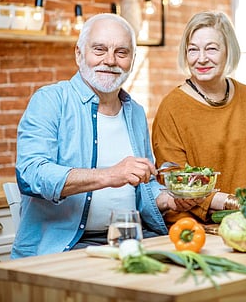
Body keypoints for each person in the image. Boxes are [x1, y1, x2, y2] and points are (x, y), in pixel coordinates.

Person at [11, 13, 197, 259]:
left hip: (132, 239)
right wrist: (110, 175)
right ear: (79, 54)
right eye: (99, 50)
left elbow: (144, 184)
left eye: (121, 52)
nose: (110, 61)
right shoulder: (50, 101)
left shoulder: (136, 112)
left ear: (132, 59)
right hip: (67, 247)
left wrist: (167, 200)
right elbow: (30, 174)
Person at [152, 11, 246, 225]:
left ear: (228, 51)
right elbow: (175, 180)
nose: (201, 58)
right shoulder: (172, 107)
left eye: (211, 48)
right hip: (194, 228)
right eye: (193, 50)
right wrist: (234, 202)